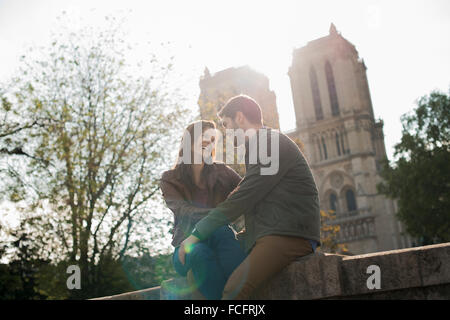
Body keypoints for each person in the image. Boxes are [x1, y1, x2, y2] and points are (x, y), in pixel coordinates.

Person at [179, 95, 321, 299]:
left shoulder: (269, 143)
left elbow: (243, 198)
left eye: (226, 126)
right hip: (266, 232)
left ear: (240, 118)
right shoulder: (258, 146)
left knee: (233, 290)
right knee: (199, 271)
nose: (226, 134)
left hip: (289, 235)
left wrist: (196, 234)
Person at [159, 120, 247, 300]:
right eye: (204, 138)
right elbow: (184, 211)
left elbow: (248, 191)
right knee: (199, 252)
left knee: (223, 232)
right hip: (186, 245)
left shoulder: (222, 171)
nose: (210, 143)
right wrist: (222, 214)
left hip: (220, 238)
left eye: (213, 139)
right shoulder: (169, 179)